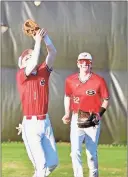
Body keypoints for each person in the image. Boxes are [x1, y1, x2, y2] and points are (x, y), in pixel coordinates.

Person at [16, 28, 58, 177]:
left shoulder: (43, 72)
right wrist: (37, 41)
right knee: (41, 166)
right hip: (31, 124)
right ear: (22, 64)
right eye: (26, 58)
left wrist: (45, 38)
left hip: (45, 122)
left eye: (32, 56)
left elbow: (53, 53)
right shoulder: (22, 75)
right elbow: (33, 62)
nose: (30, 58)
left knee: (52, 163)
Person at [62, 52, 110, 177]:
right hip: (77, 117)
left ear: (91, 64)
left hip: (92, 119)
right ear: (78, 63)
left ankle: (94, 175)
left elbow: (106, 100)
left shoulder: (99, 80)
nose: (84, 63)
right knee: (75, 152)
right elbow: (67, 96)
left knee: (91, 154)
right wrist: (67, 113)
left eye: (87, 61)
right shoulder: (70, 80)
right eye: (82, 61)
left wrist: (99, 114)